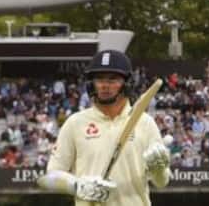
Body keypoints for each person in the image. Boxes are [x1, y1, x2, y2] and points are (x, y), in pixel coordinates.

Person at [37, 50, 170, 205]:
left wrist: (159, 170)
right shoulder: (75, 123)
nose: (105, 86)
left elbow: (162, 182)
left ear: (127, 83)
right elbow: (48, 178)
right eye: (99, 79)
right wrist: (78, 186)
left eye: (113, 79)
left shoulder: (145, 123)